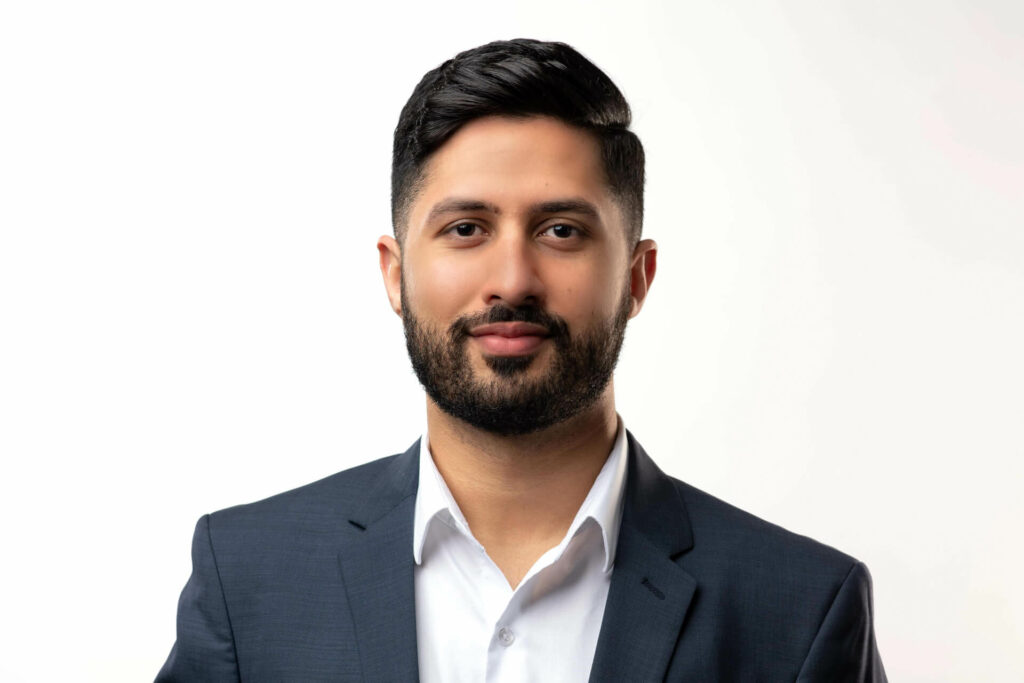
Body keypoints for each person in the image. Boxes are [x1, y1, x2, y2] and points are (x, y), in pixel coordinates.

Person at [157, 38, 886, 682]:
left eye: (562, 230)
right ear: (395, 274)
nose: (513, 278)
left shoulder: (800, 611)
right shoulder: (249, 581)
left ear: (635, 277)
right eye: (467, 227)